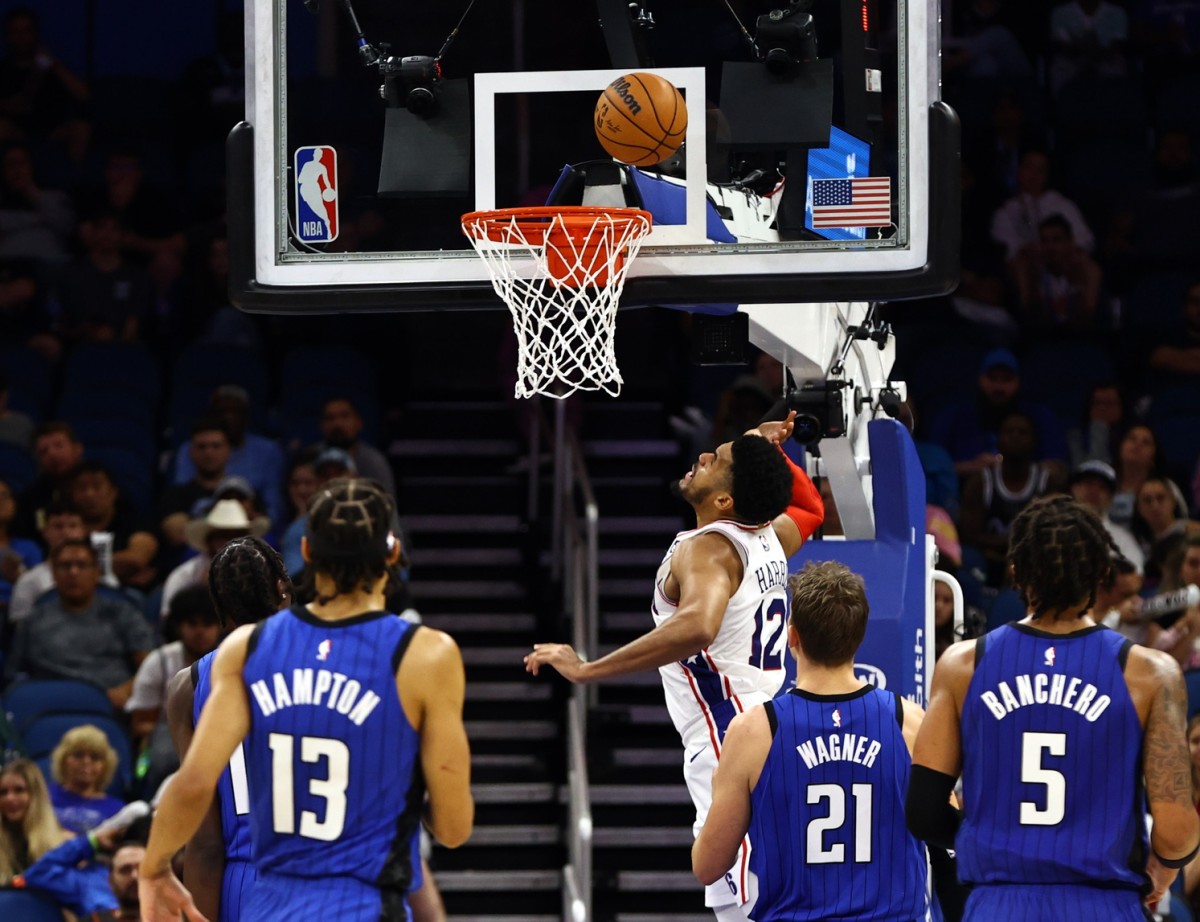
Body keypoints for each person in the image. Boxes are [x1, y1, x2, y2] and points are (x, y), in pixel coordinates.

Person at [525, 411, 824, 918]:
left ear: (725, 501)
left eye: (717, 460)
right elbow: (810, 507)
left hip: (727, 738)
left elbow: (698, 626)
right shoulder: (772, 538)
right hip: (775, 727)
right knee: (777, 893)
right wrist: (762, 448)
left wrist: (587, 669)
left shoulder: (707, 549)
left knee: (743, 904)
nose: (703, 456)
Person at [141, 478, 473, 921]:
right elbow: (452, 829)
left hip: (268, 900)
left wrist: (154, 866)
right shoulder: (425, 654)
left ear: (307, 552)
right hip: (367, 899)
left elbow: (195, 788)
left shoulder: (245, 652)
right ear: (393, 552)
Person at [907, 494, 1200, 918]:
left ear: (1015, 570)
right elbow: (1175, 832)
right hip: (1102, 903)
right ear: (1102, 573)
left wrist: (991, 842)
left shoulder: (963, 664)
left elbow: (923, 811)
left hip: (999, 904)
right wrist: (1166, 868)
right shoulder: (1151, 674)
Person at [692, 561, 928, 921]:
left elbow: (707, 866)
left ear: (792, 637)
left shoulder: (752, 732)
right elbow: (947, 829)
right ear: (859, 635)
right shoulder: (908, 722)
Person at [5, 537, 155, 706]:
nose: (73, 572)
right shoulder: (33, 619)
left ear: (97, 573)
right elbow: (15, 675)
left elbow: (150, 666)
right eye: (65, 566)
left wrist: (126, 691)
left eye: (82, 565)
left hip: (111, 702)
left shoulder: (123, 613)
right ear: (53, 573)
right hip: (49, 704)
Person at [126, 585, 221, 797]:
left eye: (207, 624)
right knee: (164, 747)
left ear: (219, 626)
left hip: (218, 733)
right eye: (192, 624)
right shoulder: (159, 662)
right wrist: (185, 730)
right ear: (179, 627)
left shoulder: (231, 660)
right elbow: (140, 725)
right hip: (168, 737)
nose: (200, 632)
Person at [8, 498, 84, 625]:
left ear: (84, 531)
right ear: (45, 532)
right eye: (58, 526)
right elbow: (21, 630)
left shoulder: (102, 577)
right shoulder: (29, 580)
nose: (66, 533)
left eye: (72, 526)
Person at [0, 756, 70, 886]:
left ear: (36, 795)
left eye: (19, 790)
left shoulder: (63, 843)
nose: (9, 798)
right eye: (3, 792)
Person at [47, 724, 126, 834]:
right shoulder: (44, 796)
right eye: (78, 755)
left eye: (95, 757)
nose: (86, 762)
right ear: (63, 760)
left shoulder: (117, 810)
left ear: (105, 765)